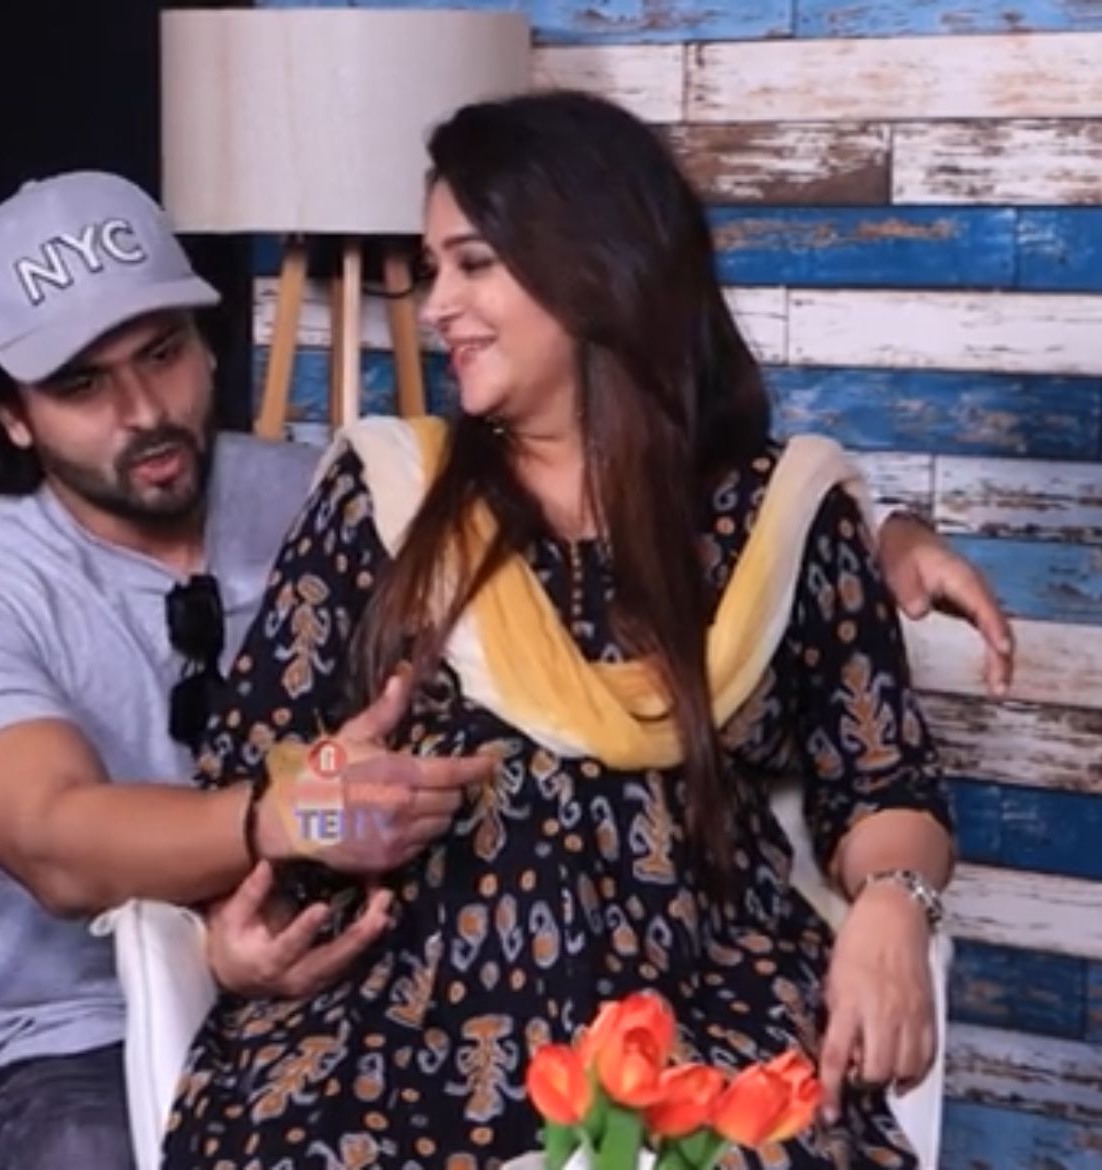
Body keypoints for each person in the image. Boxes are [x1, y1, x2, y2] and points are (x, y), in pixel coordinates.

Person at [0, 167, 1007, 1169]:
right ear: (13, 417)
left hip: (393, 949)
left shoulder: (334, 487)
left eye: (162, 355)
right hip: (77, 1027)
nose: (143, 412)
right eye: (81, 386)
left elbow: (693, 520)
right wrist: (279, 830)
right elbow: (56, 840)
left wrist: (876, 532)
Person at [160, 90, 969, 1169]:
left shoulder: (779, 518)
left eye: (473, 264)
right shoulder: (388, 495)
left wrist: (895, 904)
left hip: (698, 1012)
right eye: (433, 268)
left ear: (594, 264)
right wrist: (303, 830)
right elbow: (249, 775)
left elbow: (882, 786)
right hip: (397, 1022)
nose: (438, 306)